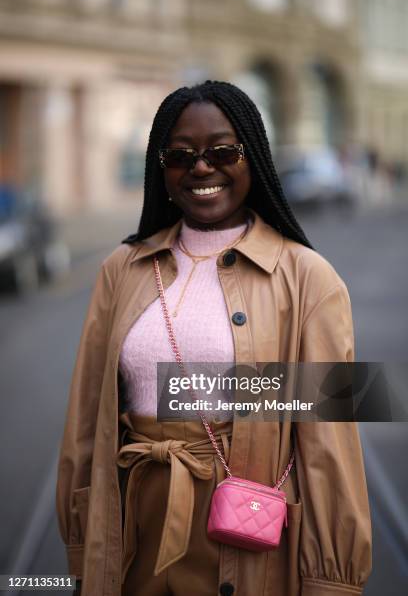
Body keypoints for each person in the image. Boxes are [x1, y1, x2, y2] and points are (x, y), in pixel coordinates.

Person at [56, 81, 372, 596]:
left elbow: (329, 446)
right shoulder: (122, 269)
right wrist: (80, 547)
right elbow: (86, 423)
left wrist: (331, 579)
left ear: (254, 157)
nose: (201, 168)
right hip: (132, 528)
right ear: (162, 168)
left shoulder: (309, 277)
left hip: (245, 534)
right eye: (181, 156)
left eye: (223, 151)